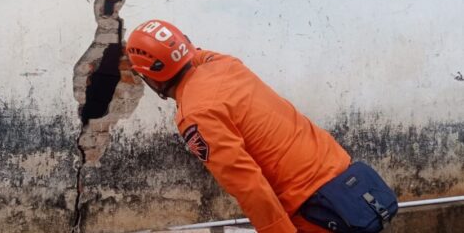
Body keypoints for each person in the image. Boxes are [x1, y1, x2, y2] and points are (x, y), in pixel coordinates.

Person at [125, 19, 352, 233]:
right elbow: (199, 57)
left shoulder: (195, 115)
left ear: (150, 78)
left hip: (314, 206)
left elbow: (249, 186)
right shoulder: (225, 64)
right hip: (345, 176)